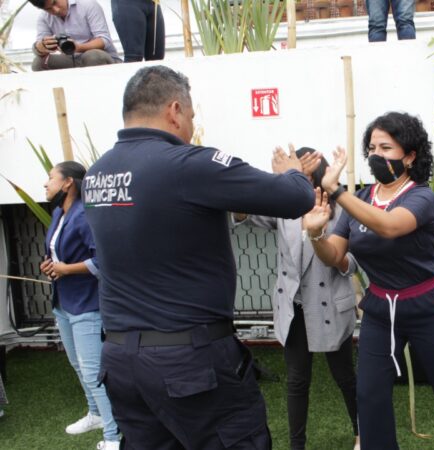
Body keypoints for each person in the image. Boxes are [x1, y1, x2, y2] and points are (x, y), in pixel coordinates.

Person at [82, 65, 316, 449]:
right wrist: (291, 172)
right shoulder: (187, 164)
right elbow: (296, 199)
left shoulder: (97, 174)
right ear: (175, 110)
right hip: (187, 361)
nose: (190, 126)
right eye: (190, 116)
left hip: (122, 361)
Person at [304, 112, 434, 449]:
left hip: (428, 305)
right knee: (370, 395)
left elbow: (389, 226)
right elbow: (335, 257)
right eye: (372, 148)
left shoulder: (420, 197)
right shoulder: (360, 200)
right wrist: (316, 234)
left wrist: (334, 190)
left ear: (409, 156)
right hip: (381, 308)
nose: (376, 155)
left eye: (386, 147)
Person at [235, 146, 360, 450]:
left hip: (330, 302)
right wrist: (277, 183)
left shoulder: (340, 207)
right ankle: (296, 445)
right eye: (297, 177)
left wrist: (322, 238)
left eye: (306, 177)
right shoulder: (285, 207)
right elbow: (244, 213)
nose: (302, 183)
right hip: (294, 306)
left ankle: (362, 432)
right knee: (296, 380)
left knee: (344, 376)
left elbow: (351, 261)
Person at [40, 161, 120, 450]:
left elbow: (103, 262)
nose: (45, 183)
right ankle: (96, 415)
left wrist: (65, 269)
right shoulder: (58, 213)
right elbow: (57, 254)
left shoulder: (86, 215)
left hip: (87, 305)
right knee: (78, 365)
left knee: (91, 370)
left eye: (50, 178)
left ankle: (114, 436)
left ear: (68, 183)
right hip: (63, 302)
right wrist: (50, 266)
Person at [29, 0, 121, 71]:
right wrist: (41, 47)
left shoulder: (88, 5)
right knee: (38, 63)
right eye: (48, 9)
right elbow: (40, 47)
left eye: (55, 2)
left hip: (101, 58)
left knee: (92, 56)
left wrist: (79, 47)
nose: (56, 10)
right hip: (71, 59)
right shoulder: (44, 18)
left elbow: (104, 40)